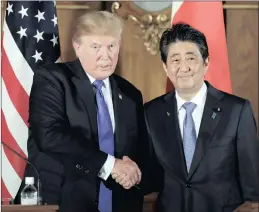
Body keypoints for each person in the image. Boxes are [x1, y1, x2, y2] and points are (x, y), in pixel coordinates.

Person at [26, 11, 148, 212]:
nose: (105, 55)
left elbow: (141, 150)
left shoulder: (130, 93)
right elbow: (49, 136)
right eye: (96, 47)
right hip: (64, 202)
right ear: (78, 47)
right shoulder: (53, 79)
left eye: (111, 46)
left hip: (119, 203)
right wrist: (111, 165)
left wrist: (133, 173)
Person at [144, 23, 259, 212]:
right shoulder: (151, 112)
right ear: (165, 67)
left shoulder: (237, 110)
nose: (184, 67)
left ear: (206, 63)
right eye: (175, 60)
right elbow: (149, 176)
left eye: (191, 58)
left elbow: (253, 184)